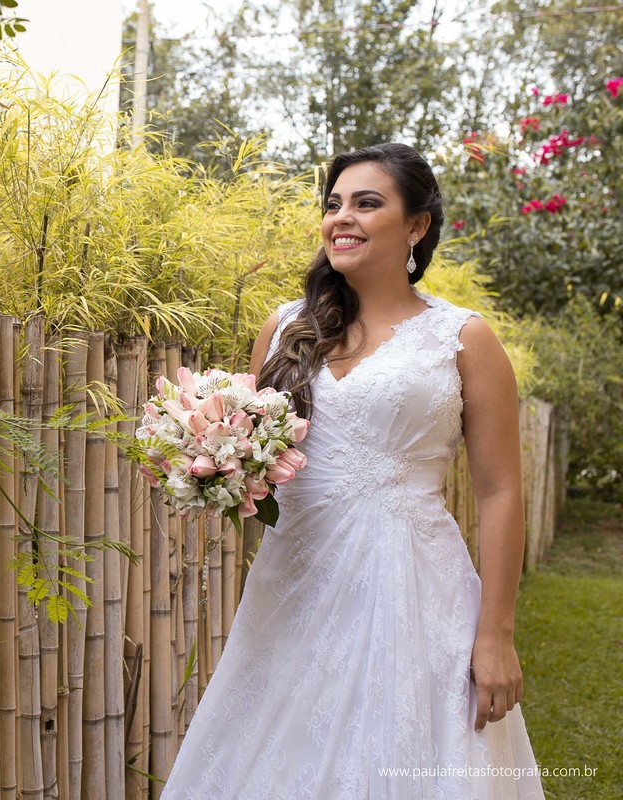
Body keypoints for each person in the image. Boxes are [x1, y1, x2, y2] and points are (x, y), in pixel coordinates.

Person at [161, 143, 545, 798]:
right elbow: (260, 453)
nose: (343, 217)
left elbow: (501, 491)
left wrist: (496, 635)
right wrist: (212, 458)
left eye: (367, 203)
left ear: (417, 225)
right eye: (334, 203)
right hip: (295, 581)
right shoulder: (285, 327)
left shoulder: (464, 338)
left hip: (414, 587)